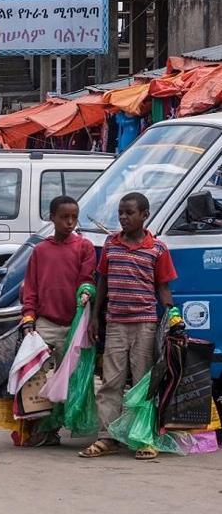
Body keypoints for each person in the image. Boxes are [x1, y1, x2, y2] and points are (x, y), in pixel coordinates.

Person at [81, 192, 177, 461]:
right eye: (121, 213)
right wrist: (96, 316)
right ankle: (107, 437)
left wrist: (172, 318)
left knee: (143, 382)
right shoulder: (111, 244)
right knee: (110, 382)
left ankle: (143, 437)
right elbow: (103, 282)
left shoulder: (157, 249)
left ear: (144, 215)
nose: (123, 217)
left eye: (129, 213)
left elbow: (163, 288)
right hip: (115, 324)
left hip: (145, 324)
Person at [19, 195, 96, 447]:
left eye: (74, 217)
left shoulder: (84, 247)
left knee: (69, 377)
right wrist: (28, 317)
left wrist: (86, 292)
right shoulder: (40, 250)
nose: (70, 222)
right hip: (45, 323)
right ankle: (41, 426)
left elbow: (88, 278)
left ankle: (63, 423)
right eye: (64, 217)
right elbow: (30, 288)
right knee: (35, 377)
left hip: (74, 324)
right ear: (51, 217)